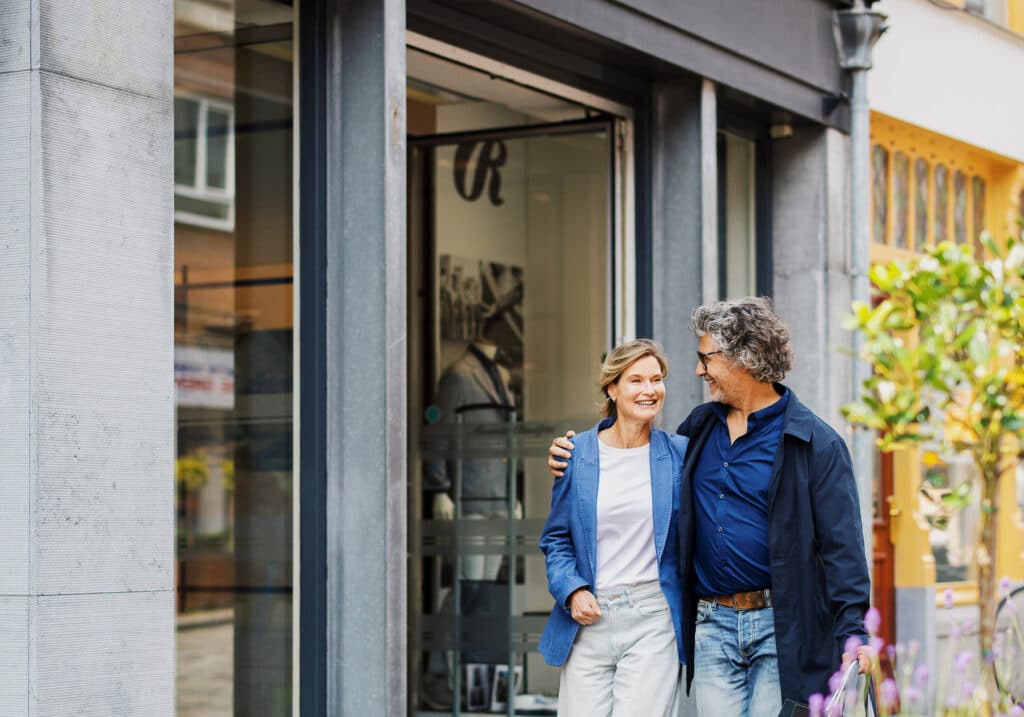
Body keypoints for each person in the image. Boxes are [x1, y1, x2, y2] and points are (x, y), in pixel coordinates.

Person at [548, 298, 872, 716]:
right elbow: (634, 464)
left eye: (706, 358)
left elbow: (842, 550)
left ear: (745, 358)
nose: (699, 370)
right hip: (711, 626)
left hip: (780, 629)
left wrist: (854, 633)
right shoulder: (699, 429)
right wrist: (573, 452)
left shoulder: (815, 444)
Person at [538, 339, 687, 716]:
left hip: (653, 618)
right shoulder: (576, 454)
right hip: (589, 617)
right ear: (612, 388)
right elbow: (556, 540)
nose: (649, 390)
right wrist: (572, 591)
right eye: (636, 380)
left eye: (656, 379)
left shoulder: (680, 455)